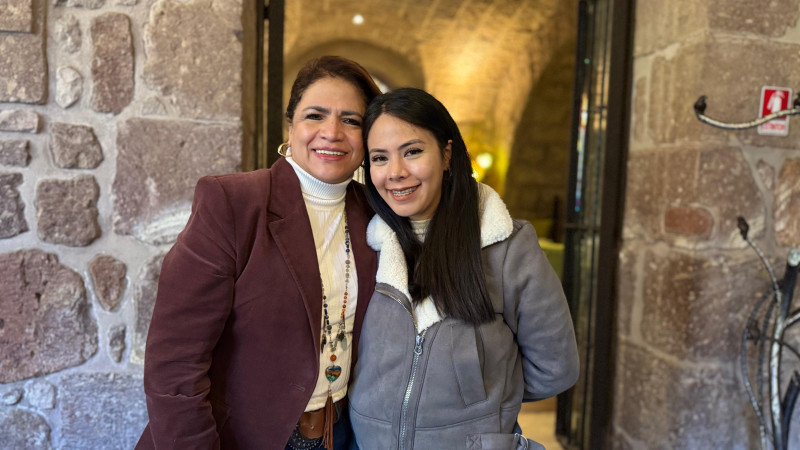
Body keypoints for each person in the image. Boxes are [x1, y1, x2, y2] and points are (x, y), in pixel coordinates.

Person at [136, 56, 382, 450]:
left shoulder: (376, 214)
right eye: (315, 115)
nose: (332, 132)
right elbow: (174, 364)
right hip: (236, 438)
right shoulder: (234, 203)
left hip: (338, 435)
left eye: (351, 120)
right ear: (291, 126)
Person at [348, 87, 580, 449]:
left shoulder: (507, 246)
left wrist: (484, 408)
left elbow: (555, 367)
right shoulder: (367, 245)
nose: (395, 172)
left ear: (446, 153)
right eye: (379, 158)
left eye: (412, 151)